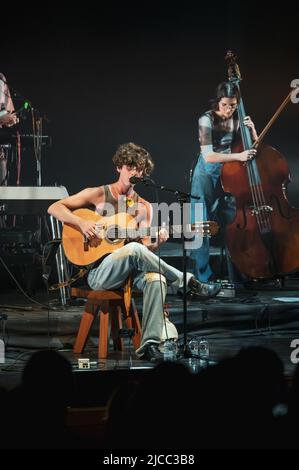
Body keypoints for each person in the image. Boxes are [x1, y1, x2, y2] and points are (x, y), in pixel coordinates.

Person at [48, 142, 221, 362]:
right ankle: (187, 282)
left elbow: (145, 248)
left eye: (139, 169)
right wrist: (81, 223)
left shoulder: (144, 207)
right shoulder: (99, 194)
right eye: (130, 166)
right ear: (119, 167)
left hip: (130, 275)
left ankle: (149, 346)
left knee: (156, 278)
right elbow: (54, 207)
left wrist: (157, 242)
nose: (135, 172)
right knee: (133, 248)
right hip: (99, 273)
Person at [190, 81, 258, 282]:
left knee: (232, 222)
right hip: (206, 173)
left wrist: (252, 131)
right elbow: (209, 155)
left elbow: (252, 148)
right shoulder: (206, 119)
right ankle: (200, 280)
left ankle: (239, 276)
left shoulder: (237, 119)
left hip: (229, 175)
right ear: (217, 103)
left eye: (233, 105)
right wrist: (238, 157)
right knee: (200, 224)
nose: (229, 109)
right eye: (225, 105)